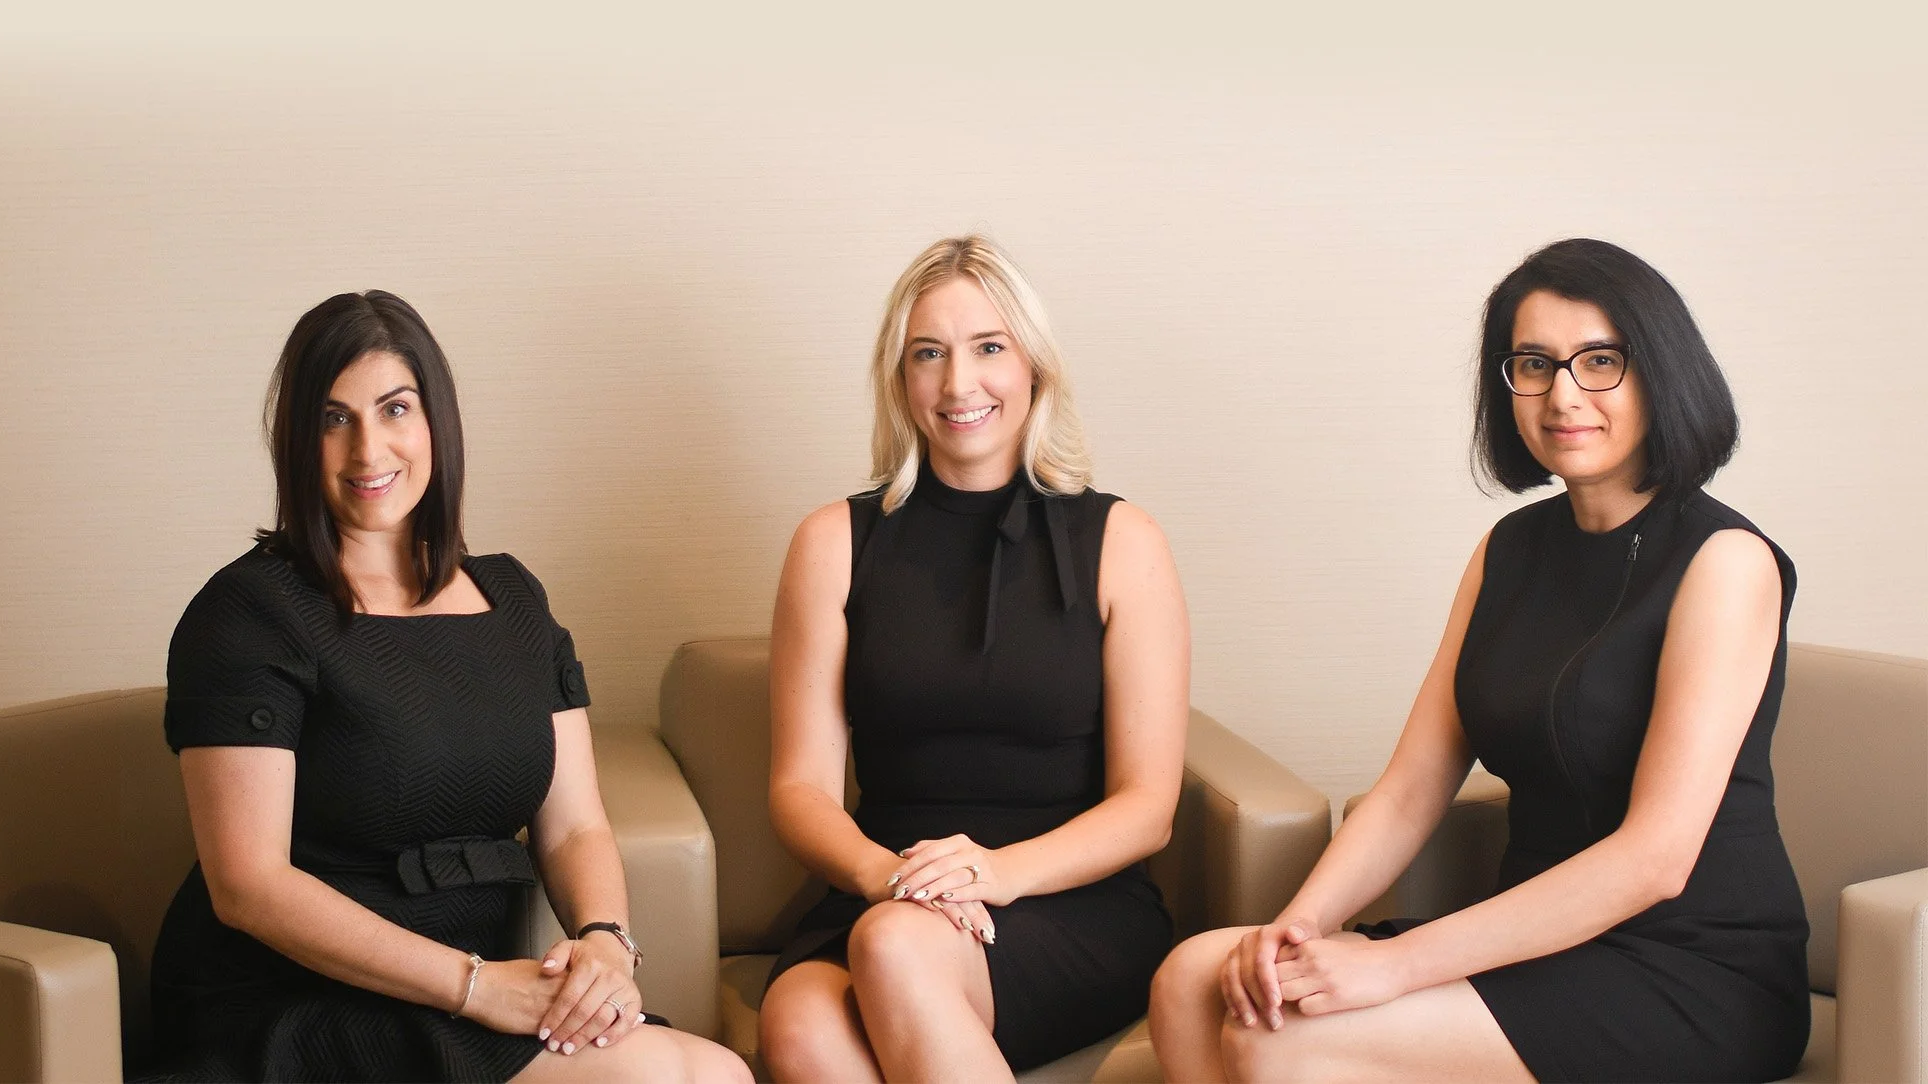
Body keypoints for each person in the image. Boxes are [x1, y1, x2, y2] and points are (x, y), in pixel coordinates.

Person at [1148, 238, 1810, 1082]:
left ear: (1661, 372)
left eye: (1599, 360)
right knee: (1191, 980)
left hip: (1692, 967)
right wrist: (1302, 925)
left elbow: (1656, 859)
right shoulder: (1509, 549)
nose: (1563, 394)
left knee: (1280, 1040)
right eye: (1534, 364)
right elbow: (1411, 788)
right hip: (1533, 939)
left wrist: (1394, 962)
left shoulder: (1726, 561)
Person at [145, 291, 747, 1083]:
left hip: (479, 988)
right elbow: (249, 887)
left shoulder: (514, 600)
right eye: (334, 419)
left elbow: (573, 828)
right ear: (297, 440)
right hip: (293, 1003)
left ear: (438, 423)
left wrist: (605, 941)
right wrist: (474, 988)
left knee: (720, 1074)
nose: (369, 450)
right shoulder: (249, 613)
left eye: (395, 409)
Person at [757, 236, 1192, 1081]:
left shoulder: (1122, 542)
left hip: (1070, 900)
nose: (959, 384)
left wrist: (996, 874)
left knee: (894, 948)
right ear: (901, 379)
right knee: (801, 1026)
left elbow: (1148, 808)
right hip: (884, 881)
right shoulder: (831, 543)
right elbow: (798, 789)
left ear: (1034, 366)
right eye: (930, 354)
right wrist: (890, 878)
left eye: (988, 348)